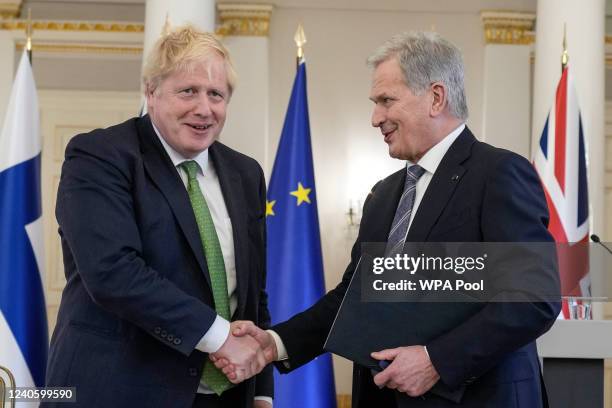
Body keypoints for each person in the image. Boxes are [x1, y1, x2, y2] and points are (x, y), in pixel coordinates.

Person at [214, 32, 560, 407]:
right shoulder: (382, 196)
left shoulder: (499, 173)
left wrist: (436, 361)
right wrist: (275, 343)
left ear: (436, 97)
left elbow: (532, 299)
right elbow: (353, 299)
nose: (376, 118)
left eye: (386, 100)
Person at [44, 25, 272, 408]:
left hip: (227, 396)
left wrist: (262, 391)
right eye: (188, 91)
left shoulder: (246, 174)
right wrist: (220, 338)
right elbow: (112, 272)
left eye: (216, 94)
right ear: (151, 93)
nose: (204, 108)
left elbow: (252, 292)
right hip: (118, 390)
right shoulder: (100, 156)